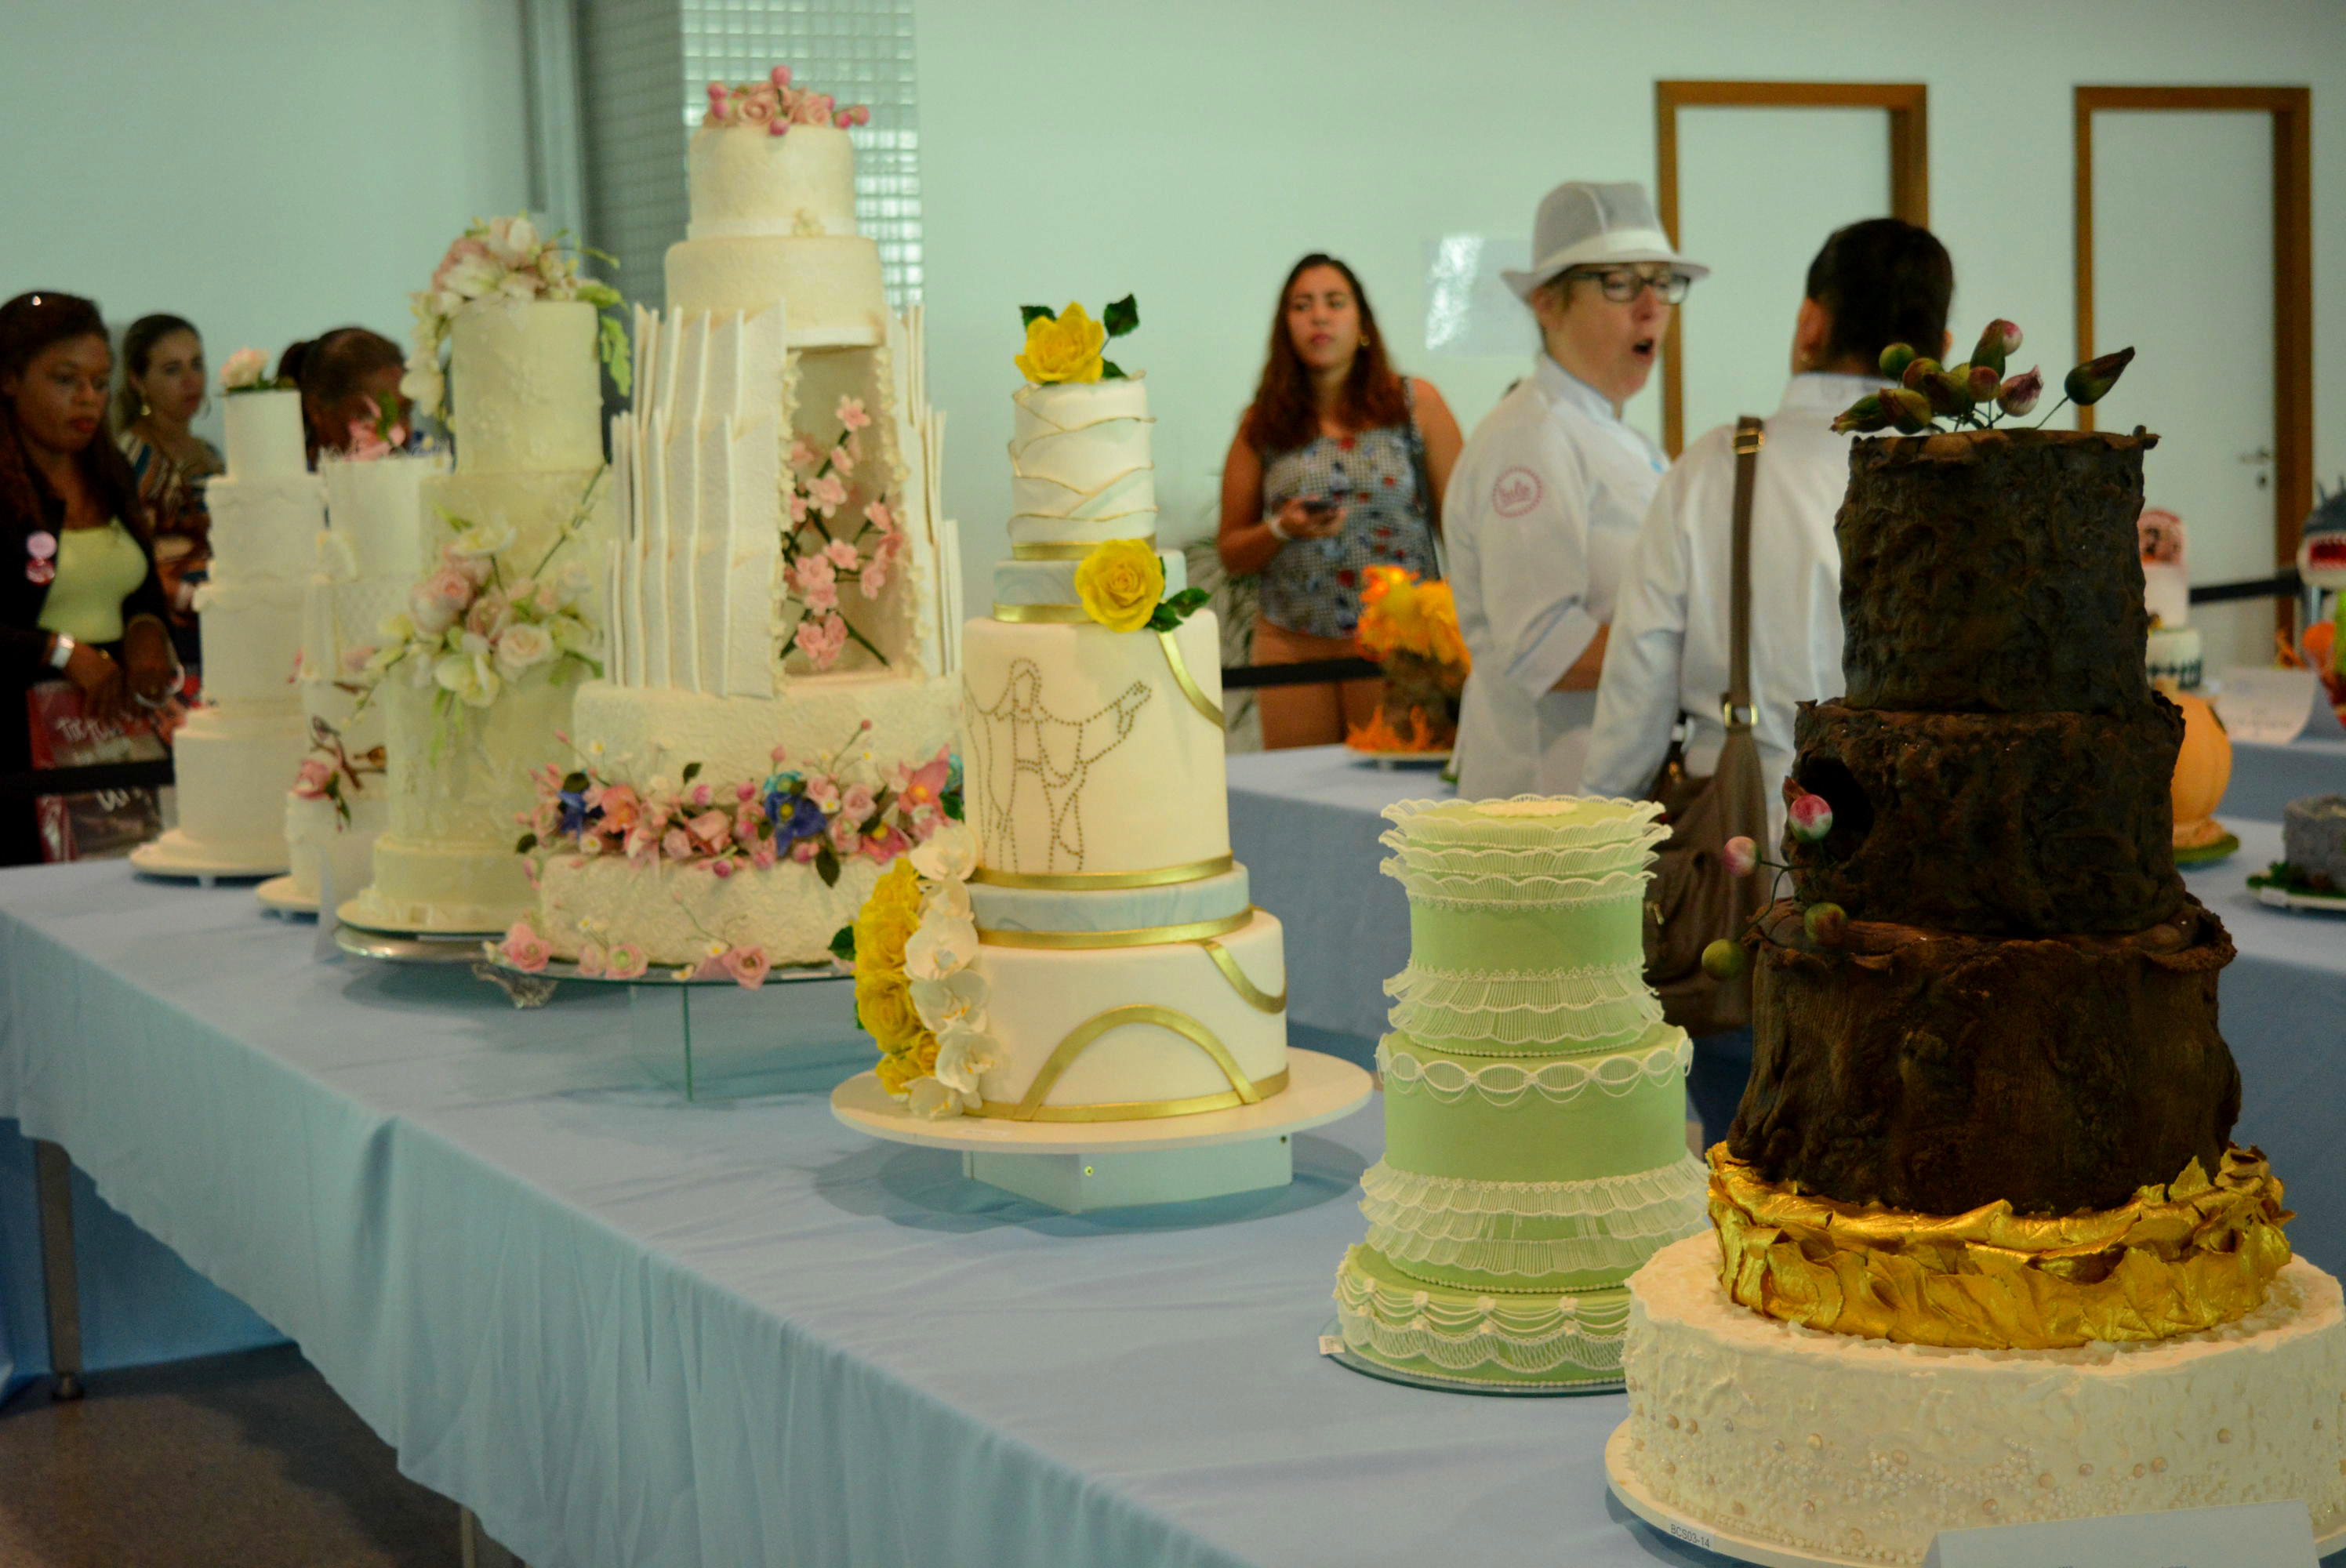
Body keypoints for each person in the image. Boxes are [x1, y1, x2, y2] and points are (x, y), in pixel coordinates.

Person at [1582, 216, 1954, 1143]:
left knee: (1751, 1154)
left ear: (1807, 321)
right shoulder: (1962, 481)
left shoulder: (1716, 466)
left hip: (1742, 884)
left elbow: (1633, 703)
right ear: (1942, 350)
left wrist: (1588, 858)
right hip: (1928, 879)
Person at [1445, 181, 1705, 797]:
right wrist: (1704, 648)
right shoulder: (1531, 438)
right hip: (1545, 807)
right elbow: (1546, 650)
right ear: (1547, 304)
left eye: (1661, 282)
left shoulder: (1624, 440)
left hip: (1607, 801)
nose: (1650, 307)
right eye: (1619, 283)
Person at [1218, 254, 1463, 748]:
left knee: (1398, 802)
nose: (1320, 317)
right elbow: (1232, 549)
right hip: (1293, 643)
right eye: (1302, 306)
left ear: (1362, 322)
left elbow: (1464, 528)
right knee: (1300, 798)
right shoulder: (1261, 423)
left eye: (1335, 302)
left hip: (1400, 647)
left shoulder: (1416, 405)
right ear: (1286, 327)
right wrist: (1282, 528)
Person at [0, 292, 177, 866]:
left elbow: (138, 584)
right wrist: (59, 651)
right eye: (65, 380)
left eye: (101, 383)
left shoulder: (108, 468)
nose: (88, 399)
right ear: (9, 379)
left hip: (107, 738)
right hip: (17, 751)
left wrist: (147, 629)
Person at [113, 313, 222, 659]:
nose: (192, 381)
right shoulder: (131, 456)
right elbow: (128, 559)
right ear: (138, 380)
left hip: (223, 619)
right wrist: (191, 598)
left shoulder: (208, 452)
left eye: (197, 364)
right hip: (172, 631)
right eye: (172, 370)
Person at [278, 326, 406, 463]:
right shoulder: (286, 474)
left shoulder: (425, 458)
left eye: (405, 412)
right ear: (316, 410)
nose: (398, 433)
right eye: (367, 415)